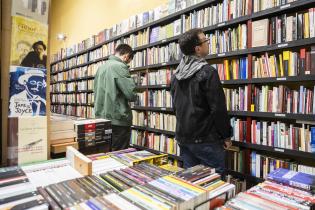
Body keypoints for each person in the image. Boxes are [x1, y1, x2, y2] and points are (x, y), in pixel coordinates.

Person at [170, 28, 232, 173]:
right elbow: (218, 109)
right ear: (198, 49)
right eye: (206, 41)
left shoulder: (176, 75)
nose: (208, 43)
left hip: (184, 138)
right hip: (206, 140)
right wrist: (226, 136)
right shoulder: (208, 72)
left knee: (192, 184)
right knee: (213, 184)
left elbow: (176, 108)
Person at [94, 44, 137, 151]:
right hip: (118, 119)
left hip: (101, 118)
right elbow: (131, 94)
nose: (127, 63)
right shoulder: (120, 66)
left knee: (105, 151)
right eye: (128, 61)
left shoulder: (101, 68)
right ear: (126, 56)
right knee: (119, 154)